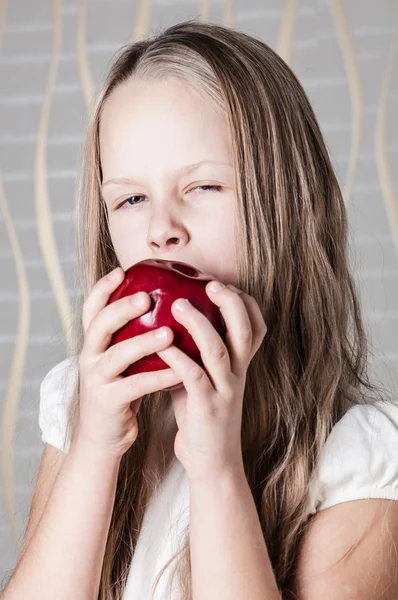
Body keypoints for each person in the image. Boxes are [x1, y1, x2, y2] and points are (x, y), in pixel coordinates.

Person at [4, 19, 398, 600]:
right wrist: (94, 449)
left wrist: (217, 474)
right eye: (133, 198)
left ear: (287, 204)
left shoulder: (359, 455)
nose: (162, 230)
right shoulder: (80, 403)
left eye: (204, 188)